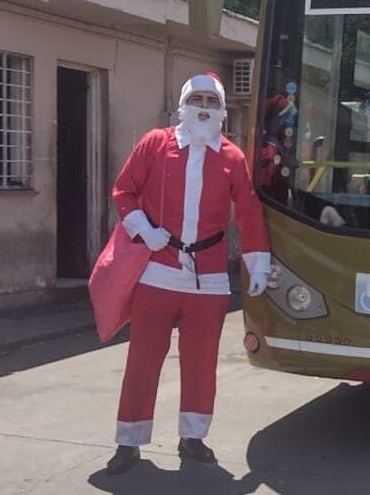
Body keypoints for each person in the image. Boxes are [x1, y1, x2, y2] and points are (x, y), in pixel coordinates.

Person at [105, 73, 272, 475]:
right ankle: (129, 442)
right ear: (182, 104)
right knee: (143, 359)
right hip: (157, 272)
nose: (202, 106)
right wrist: (144, 229)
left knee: (201, 362)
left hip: (209, 277)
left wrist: (258, 261)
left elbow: (248, 212)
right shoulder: (155, 144)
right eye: (195, 98)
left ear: (221, 109)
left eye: (210, 100)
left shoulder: (232, 157)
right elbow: (123, 191)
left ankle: (193, 437)